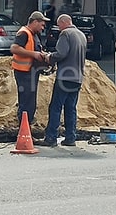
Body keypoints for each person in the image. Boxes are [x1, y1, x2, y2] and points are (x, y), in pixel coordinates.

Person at [36, 14, 87, 147]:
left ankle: (51, 138)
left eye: (59, 25)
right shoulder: (81, 35)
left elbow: (61, 53)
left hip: (65, 76)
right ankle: (70, 137)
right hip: (78, 77)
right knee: (71, 108)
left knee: (55, 107)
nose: (59, 28)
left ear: (64, 23)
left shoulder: (65, 34)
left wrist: (49, 57)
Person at [10, 11, 49, 126]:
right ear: (35, 22)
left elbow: (34, 50)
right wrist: (34, 54)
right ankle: (24, 130)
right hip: (23, 73)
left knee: (30, 103)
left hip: (30, 73)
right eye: (41, 25)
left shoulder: (33, 35)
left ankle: (26, 130)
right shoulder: (24, 33)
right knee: (26, 103)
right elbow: (14, 48)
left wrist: (42, 54)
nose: (43, 28)